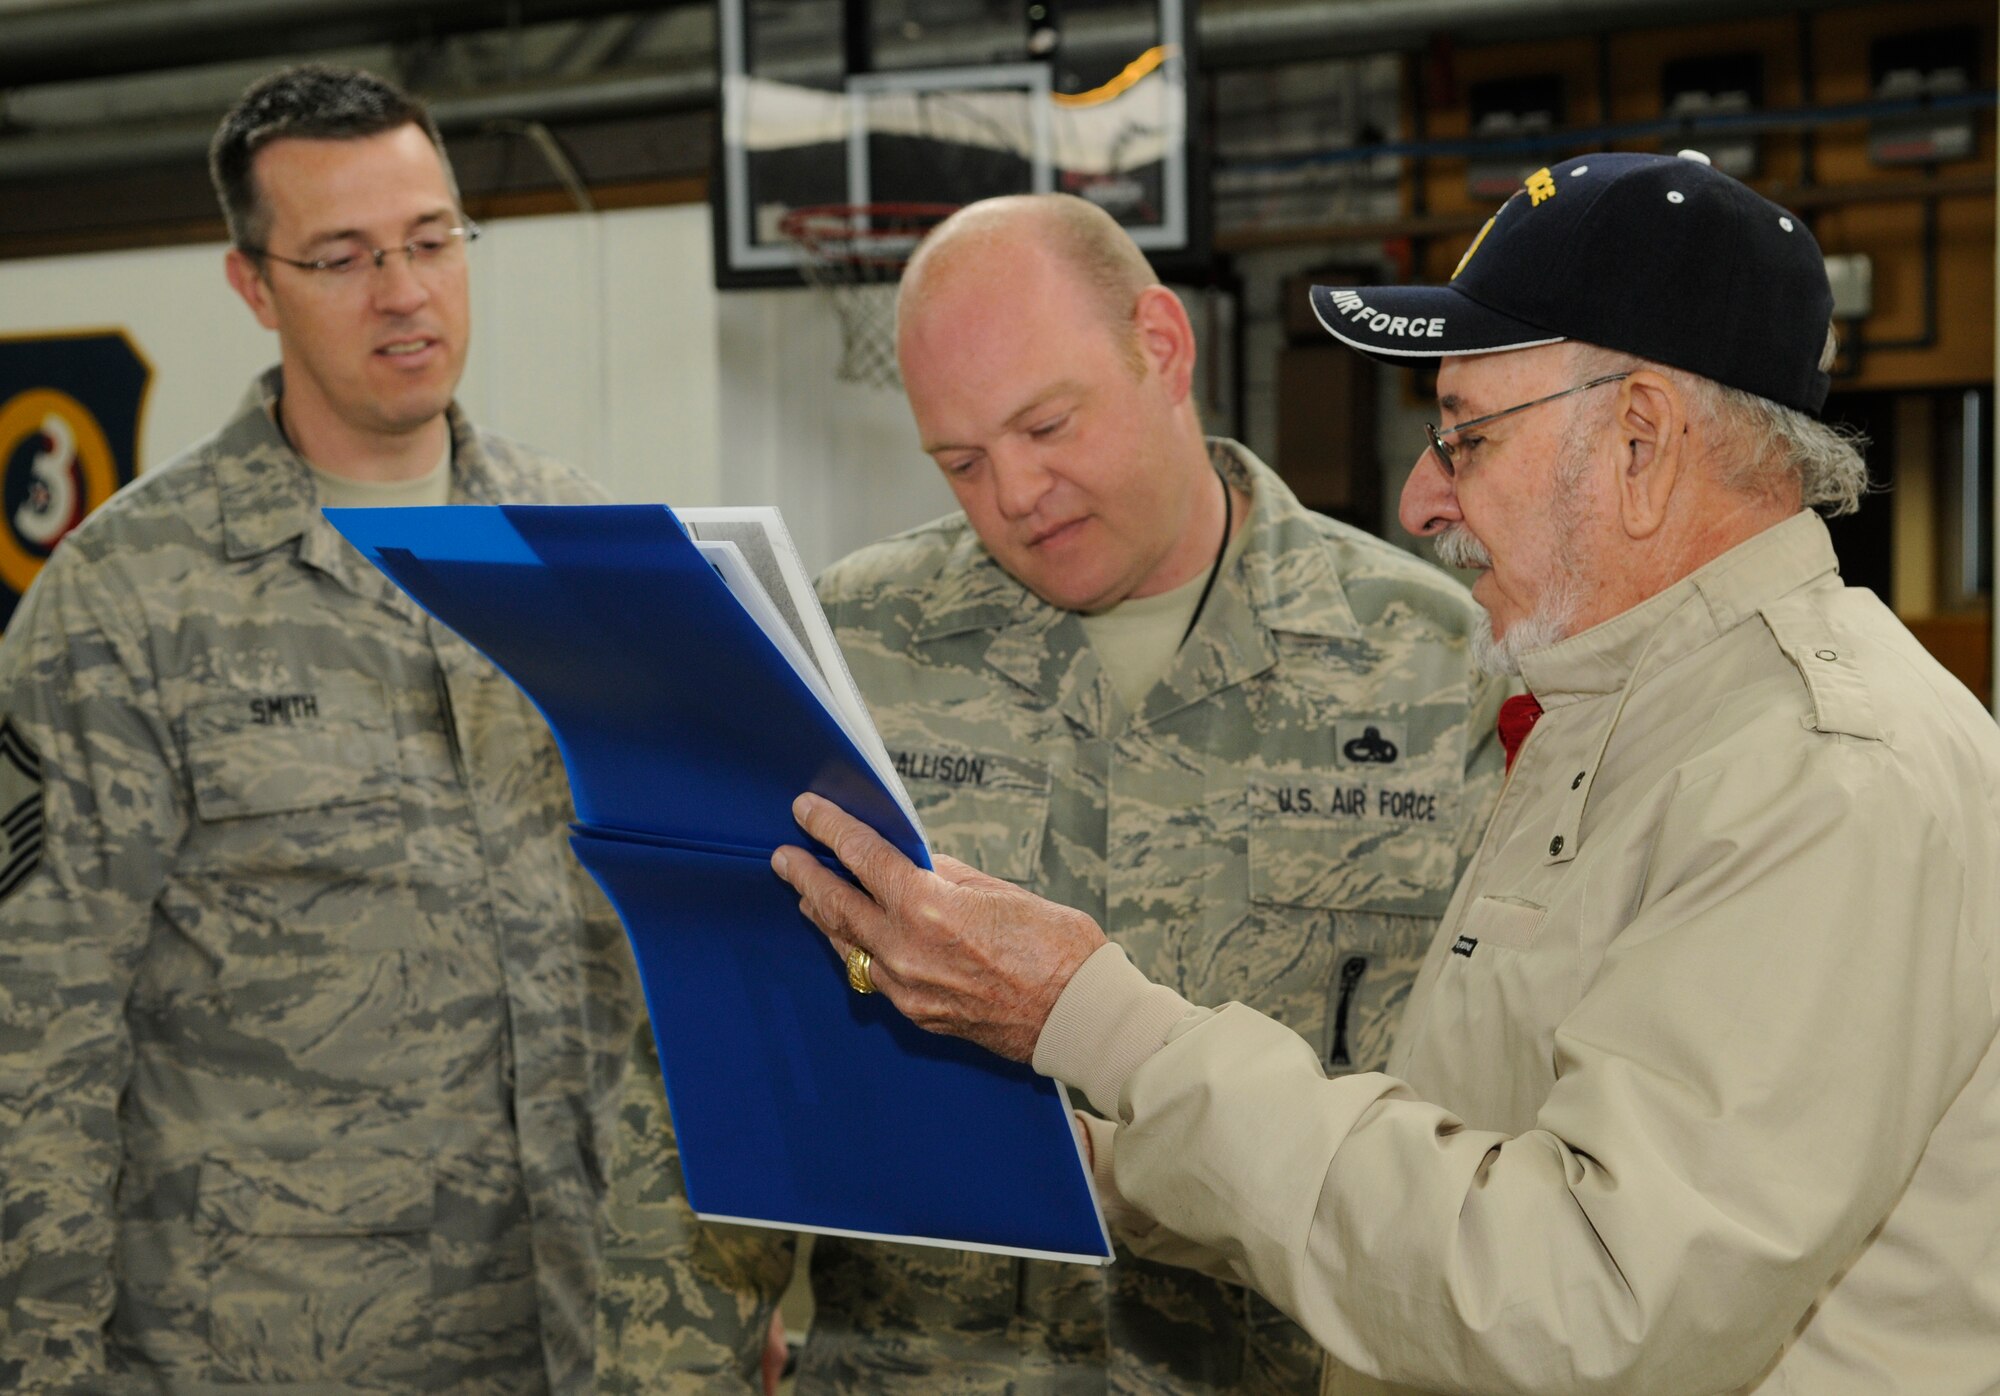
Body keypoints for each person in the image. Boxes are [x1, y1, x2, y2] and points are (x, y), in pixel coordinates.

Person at [768, 152, 2000, 1395]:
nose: (1418, 498)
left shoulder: (1821, 774)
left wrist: (1098, 1018)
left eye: (1463, 436)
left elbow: (1586, 1302)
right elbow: (1451, 1156)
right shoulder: (1623, 722)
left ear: (1638, 441)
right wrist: (1113, 1163)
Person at [596, 194, 1509, 1395]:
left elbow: (1482, 1126)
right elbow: (717, 1072)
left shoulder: (1430, 662)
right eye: (961, 460)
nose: (1015, 493)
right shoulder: (856, 647)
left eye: (1047, 424)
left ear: (1162, 347)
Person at [0, 65, 635, 1394]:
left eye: (430, 242)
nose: (405, 293)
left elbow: (655, 972)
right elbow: (34, 1039)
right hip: (258, 1354)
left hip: (570, 1338)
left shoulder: (582, 552)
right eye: (343, 257)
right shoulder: (127, 600)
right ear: (253, 283)